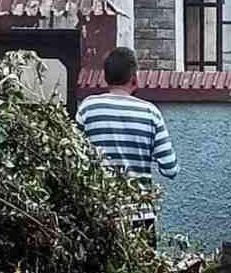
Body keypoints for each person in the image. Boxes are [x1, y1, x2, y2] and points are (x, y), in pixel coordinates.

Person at [76, 47, 178, 248]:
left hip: (99, 213)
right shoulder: (150, 113)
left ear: (105, 77)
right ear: (134, 77)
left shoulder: (88, 108)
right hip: (139, 216)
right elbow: (170, 169)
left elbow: (74, 157)